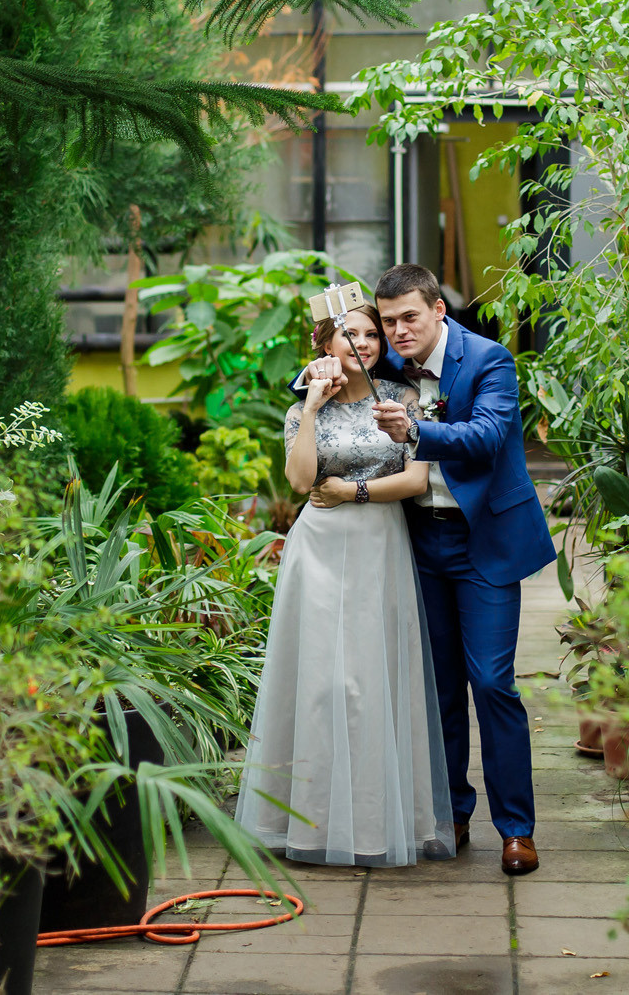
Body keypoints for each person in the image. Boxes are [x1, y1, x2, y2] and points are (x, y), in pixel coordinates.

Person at [297, 263, 556, 876]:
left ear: (439, 309)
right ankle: (451, 812)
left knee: (492, 683)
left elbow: (488, 437)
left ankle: (516, 828)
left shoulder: (490, 360)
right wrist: (313, 372)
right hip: (416, 542)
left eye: (408, 317)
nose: (396, 332)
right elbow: (331, 362)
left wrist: (416, 429)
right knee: (437, 687)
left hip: (483, 542)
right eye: (387, 323)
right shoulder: (386, 365)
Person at [234, 298, 456, 867]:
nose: (362, 344)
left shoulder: (402, 400)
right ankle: (310, 823)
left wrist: (354, 491)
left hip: (379, 544)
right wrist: (309, 407)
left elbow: (414, 478)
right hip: (319, 548)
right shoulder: (301, 407)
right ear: (325, 346)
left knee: (372, 683)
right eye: (347, 334)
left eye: (371, 335)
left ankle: (377, 824)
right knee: (320, 683)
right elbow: (302, 479)